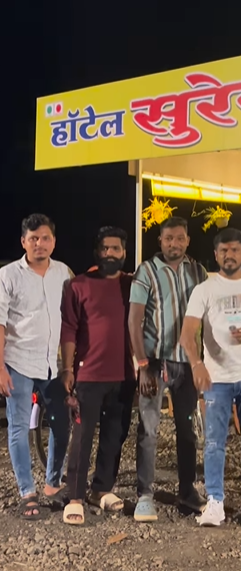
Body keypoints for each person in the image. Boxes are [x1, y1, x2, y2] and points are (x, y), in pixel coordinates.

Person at [180, 228, 241, 527]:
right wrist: (197, 365)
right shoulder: (204, 290)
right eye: (224, 250)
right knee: (214, 441)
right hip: (216, 378)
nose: (229, 255)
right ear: (216, 254)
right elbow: (187, 334)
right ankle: (215, 502)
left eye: (235, 250)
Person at [128, 217, 208, 521]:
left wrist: (204, 361)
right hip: (155, 362)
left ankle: (187, 491)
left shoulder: (198, 272)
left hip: (187, 364)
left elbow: (207, 317)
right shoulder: (147, 271)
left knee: (188, 429)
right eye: (168, 238)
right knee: (149, 429)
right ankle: (145, 495)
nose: (174, 244)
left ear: (187, 240)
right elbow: (134, 321)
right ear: (160, 241)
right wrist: (142, 365)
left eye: (180, 238)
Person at [60, 226, 136, 525]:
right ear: (96, 252)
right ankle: (75, 496)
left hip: (124, 374)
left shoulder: (132, 285)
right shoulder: (78, 285)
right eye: (104, 248)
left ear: (124, 252)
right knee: (82, 437)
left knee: (115, 435)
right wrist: (67, 368)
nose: (110, 253)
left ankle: (101, 489)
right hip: (88, 374)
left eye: (115, 248)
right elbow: (69, 328)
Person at [0, 214, 72, 519]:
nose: (39, 244)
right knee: (18, 427)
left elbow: (70, 321)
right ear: (23, 242)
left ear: (53, 241)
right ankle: (27, 492)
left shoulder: (63, 273)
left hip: (52, 364)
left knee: (61, 423)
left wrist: (69, 366)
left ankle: (53, 483)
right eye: (33, 239)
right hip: (17, 361)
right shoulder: (8, 275)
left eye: (44, 238)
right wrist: (0, 368)